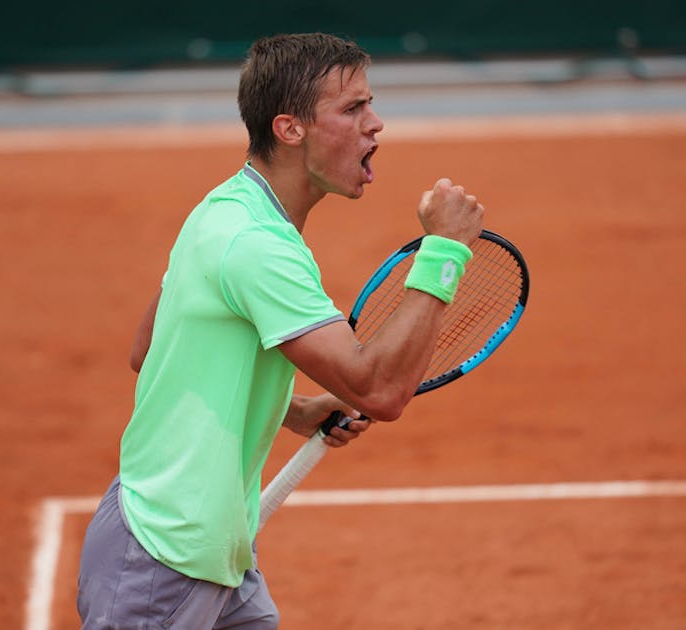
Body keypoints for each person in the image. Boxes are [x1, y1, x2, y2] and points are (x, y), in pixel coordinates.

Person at [77, 32, 483, 630]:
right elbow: (379, 389)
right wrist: (443, 251)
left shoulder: (225, 207)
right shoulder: (259, 247)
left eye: (369, 105)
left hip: (207, 544)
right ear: (290, 128)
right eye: (352, 109)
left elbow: (149, 350)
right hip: (166, 563)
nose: (376, 125)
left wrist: (292, 410)